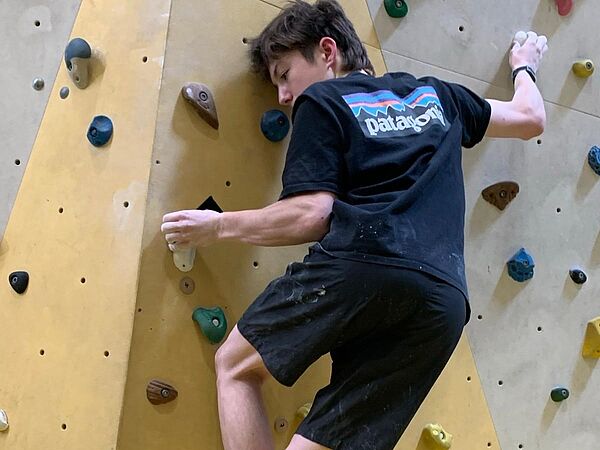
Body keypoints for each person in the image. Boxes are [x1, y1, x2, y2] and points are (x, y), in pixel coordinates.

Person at [160, 1, 547, 449]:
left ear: (328, 52)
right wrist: (524, 66)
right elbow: (530, 118)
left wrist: (217, 227)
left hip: (363, 264)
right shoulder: (440, 96)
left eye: (284, 74)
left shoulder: (323, 99)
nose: (283, 96)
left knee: (235, 366)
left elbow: (312, 213)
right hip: (443, 302)